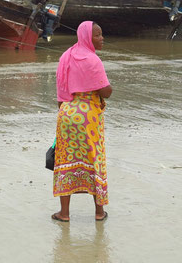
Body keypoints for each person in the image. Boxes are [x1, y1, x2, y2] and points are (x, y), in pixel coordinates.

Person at [52, 21, 112, 222]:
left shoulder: (66, 56)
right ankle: (99, 212)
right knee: (95, 159)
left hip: (67, 111)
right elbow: (106, 91)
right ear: (88, 37)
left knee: (65, 160)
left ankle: (64, 214)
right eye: (97, 35)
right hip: (89, 114)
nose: (101, 38)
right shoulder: (93, 60)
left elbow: (61, 92)